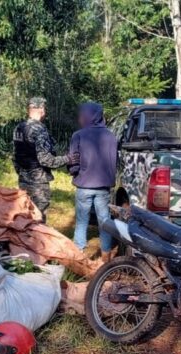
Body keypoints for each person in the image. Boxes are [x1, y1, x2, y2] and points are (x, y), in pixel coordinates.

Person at [13, 97, 79, 221]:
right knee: (38, 218)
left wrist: (21, 172)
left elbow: (15, 155)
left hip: (23, 179)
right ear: (42, 110)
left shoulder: (19, 128)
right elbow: (46, 160)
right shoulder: (39, 130)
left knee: (24, 215)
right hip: (38, 183)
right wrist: (67, 159)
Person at [69, 102, 118, 262]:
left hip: (84, 185)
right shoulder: (111, 136)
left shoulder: (78, 135)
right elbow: (114, 161)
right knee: (104, 221)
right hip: (103, 186)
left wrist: (74, 172)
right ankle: (106, 259)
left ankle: (79, 258)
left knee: (81, 222)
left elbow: (73, 161)